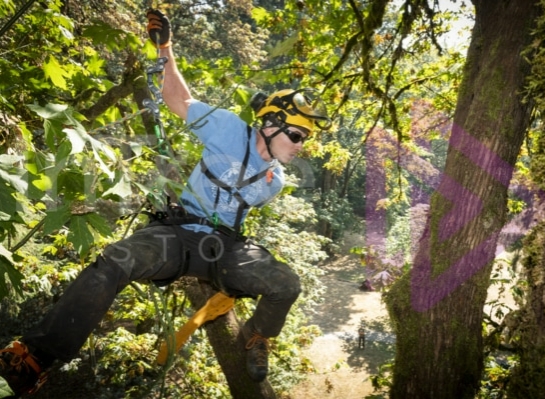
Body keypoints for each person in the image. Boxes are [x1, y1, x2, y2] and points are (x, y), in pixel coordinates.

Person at [0, 9, 331, 397]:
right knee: (114, 262)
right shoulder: (227, 128)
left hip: (224, 246)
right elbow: (178, 98)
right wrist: (166, 49)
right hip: (177, 233)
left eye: (304, 138)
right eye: (295, 134)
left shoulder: (276, 182)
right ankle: (36, 356)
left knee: (286, 284)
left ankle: (257, 336)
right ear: (270, 123)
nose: (299, 146)